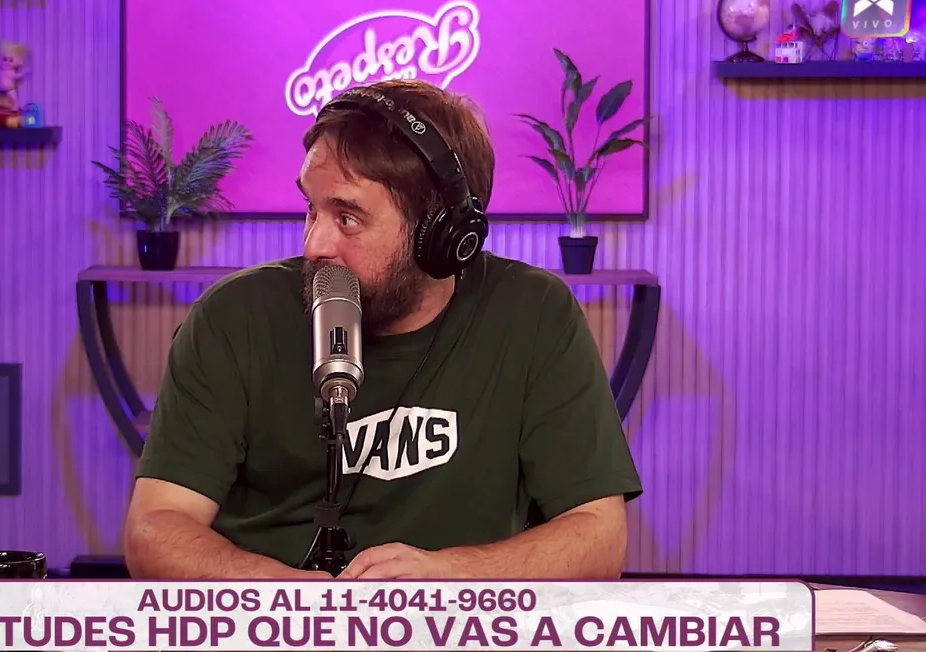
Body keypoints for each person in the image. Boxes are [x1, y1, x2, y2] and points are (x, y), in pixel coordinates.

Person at [122, 79, 643, 580]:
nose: (315, 245)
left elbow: (598, 536)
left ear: (439, 235)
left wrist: (451, 575)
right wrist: (282, 593)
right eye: (312, 209)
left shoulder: (534, 315)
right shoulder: (235, 318)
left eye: (347, 218)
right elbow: (156, 527)